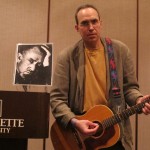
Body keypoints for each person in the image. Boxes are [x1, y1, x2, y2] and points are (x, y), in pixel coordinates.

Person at [50, 4, 150, 150]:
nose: (91, 27)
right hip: (81, 137)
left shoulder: (119, 51)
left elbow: (129, 89)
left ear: (100, 23)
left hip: (115, 134)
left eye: (94, 21)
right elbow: (57, 99)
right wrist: (75, 122)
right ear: (77, 28)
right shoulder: (66, 57)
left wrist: (138, 99)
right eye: (84, 23)